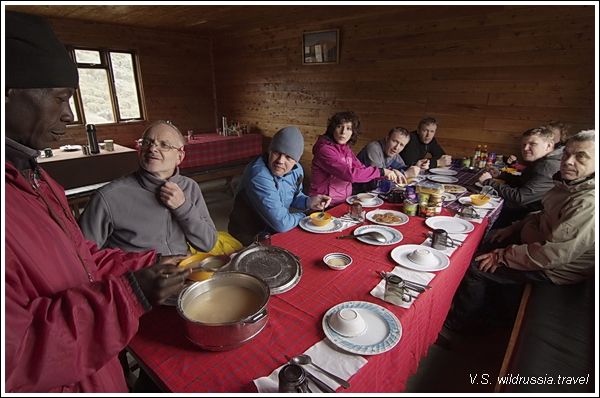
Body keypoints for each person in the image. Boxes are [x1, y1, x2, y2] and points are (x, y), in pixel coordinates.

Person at [5, 12, 190, 393]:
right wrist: (130, 294)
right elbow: (17, 355)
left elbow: (82, 259)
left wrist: (151, 263)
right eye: (60, 98)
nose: (71, 114)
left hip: (94, 367)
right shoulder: (110, 195)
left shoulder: (34, 177)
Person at [444, 130, 595, 333]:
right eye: (567, 154)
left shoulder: (589, 203)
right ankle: (478, 305)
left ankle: (459, 323)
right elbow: (543, 213)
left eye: (580, 157)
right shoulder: (569, 183)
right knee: (479, 240)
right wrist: (514, 227)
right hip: (534, 243)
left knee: (475, 266)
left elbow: (553, 255)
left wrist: (502, 256)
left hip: (553, 269)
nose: (568, 161)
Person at [79, 120, 217, 255]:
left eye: (164, 145)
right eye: (146, 143)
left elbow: (207, 244)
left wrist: (183, 207)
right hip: (135, 275)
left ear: (179, 157)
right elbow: (83, 257)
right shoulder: (108, 197)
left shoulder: (190, 187)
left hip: (182, 271)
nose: (152, 149)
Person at [228, 126, 331, 245]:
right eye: (277, 152)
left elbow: (294, 196)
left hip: (271, 230)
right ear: (269, 151)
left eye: (288, 157)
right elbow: (282, 224)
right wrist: (306, 217)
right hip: (248, 236)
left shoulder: (297, 171)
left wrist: (309, 201)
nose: (280, 161)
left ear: (296, 161)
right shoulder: (258, 175)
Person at [309, 111, 400, 206]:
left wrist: (389, 172)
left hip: (342, 201)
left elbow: (361, 168)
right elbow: (350, 175)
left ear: (353, 132)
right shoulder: (324, 150)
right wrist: (382, 172)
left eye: (348, 128)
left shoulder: (345, 148)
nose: (343, 132)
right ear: (332, 128)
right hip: (323, 204)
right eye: (339, 126)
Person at [479, 127, 562, 227]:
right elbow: (524, 181)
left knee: (481, 208)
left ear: (548, 145)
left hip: (529, 217)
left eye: (533, 144)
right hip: (528, 211)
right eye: (524, 145)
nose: (526, 148)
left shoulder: (547, 166)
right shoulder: (543, 160)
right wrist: (501, 175)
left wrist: (488, 181)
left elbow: (520, 197)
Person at [356, 126, 425, 181]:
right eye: (395, 141)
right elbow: (378, 179)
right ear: (387, 138)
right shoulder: (373, 148)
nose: (397, 147)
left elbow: (402, 167)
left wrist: (416, 166)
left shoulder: (392, 152)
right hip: (358, 192)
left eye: (401, 145)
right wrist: (405, 174)